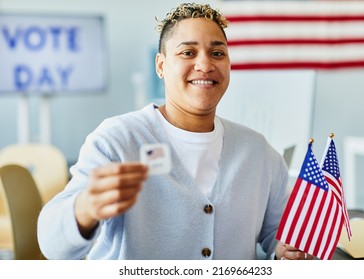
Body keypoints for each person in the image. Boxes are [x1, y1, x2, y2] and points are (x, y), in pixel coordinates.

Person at [37, 2, 313, 260]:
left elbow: (278, 233)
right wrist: (85, 209)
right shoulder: (117, 140)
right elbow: (52, 244)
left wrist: (284, 249)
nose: (205, 64)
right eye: (187, 52)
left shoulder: (258, 151)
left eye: (217, 53)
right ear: (161, 66)